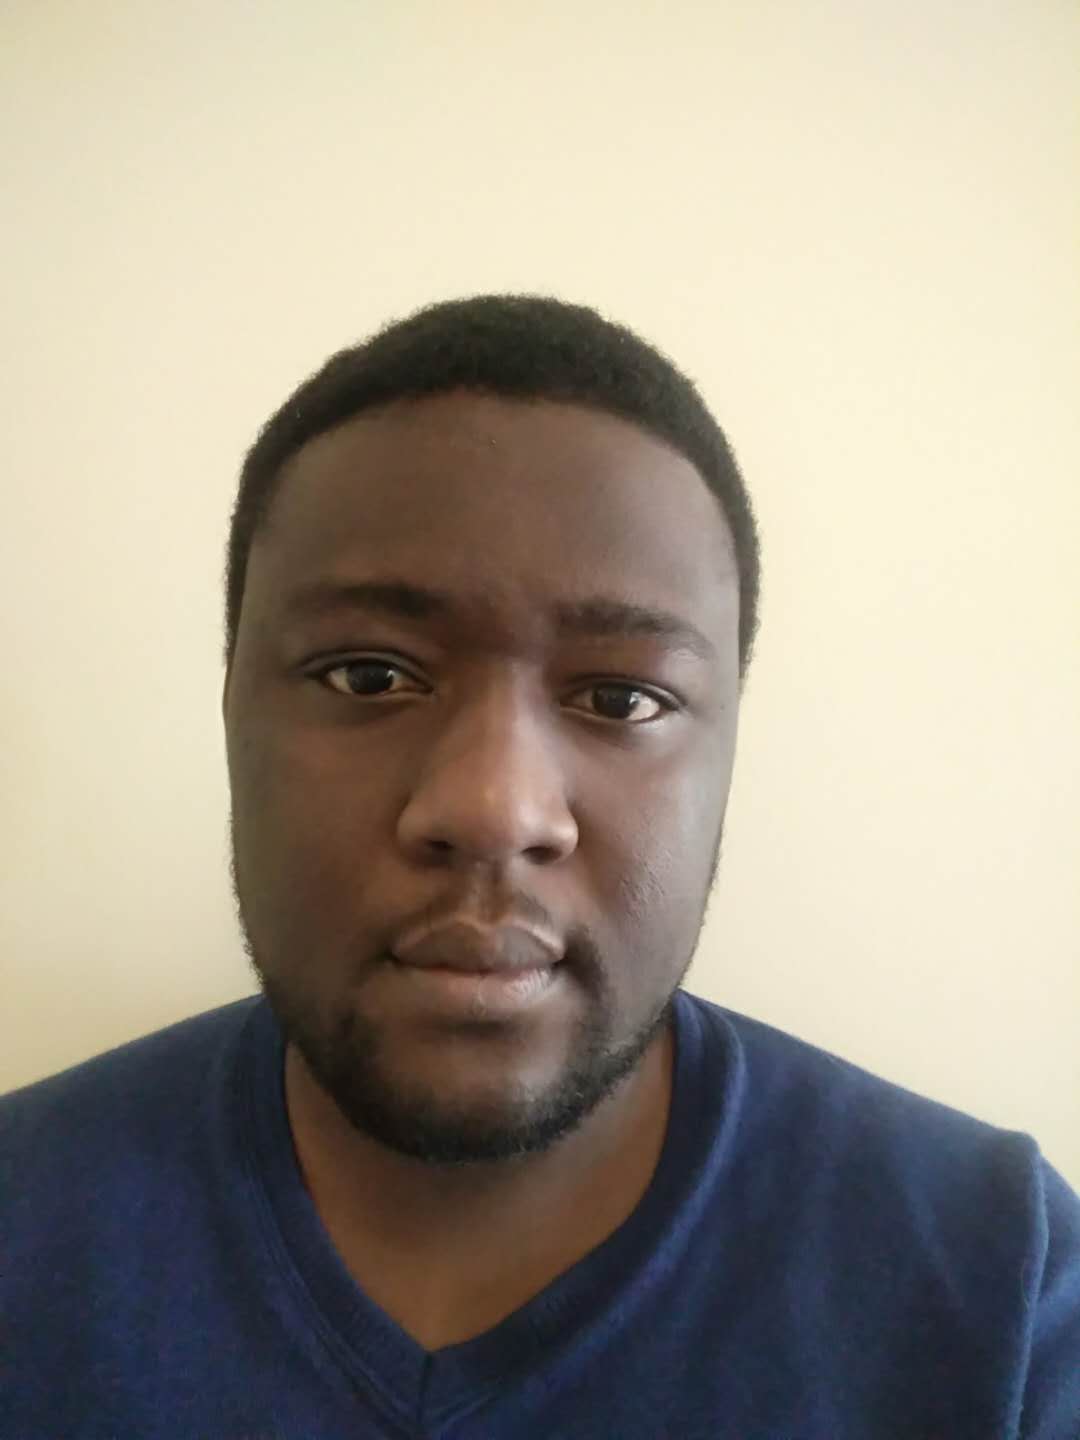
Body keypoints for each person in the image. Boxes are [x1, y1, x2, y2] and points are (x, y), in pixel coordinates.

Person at [3, 295, 1077, 1439]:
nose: (492, 809)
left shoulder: (1001, 1290)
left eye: (622, 697)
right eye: (369, 676)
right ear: (230, 712)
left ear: (729, 754)